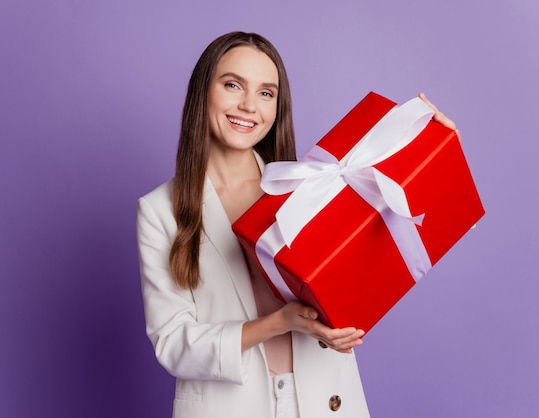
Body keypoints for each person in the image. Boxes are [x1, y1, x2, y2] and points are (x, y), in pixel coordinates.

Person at [136, 31, 457, 418]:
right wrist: (277, 323)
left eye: (266, 93)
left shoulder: (307, 185)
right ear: (203, 91)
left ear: (278, 107)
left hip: (324, 399)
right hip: (228, 405)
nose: (249, 105)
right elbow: (173, 343)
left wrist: (437, 148)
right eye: (233, 85)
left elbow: (396, 226)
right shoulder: (159, 211)